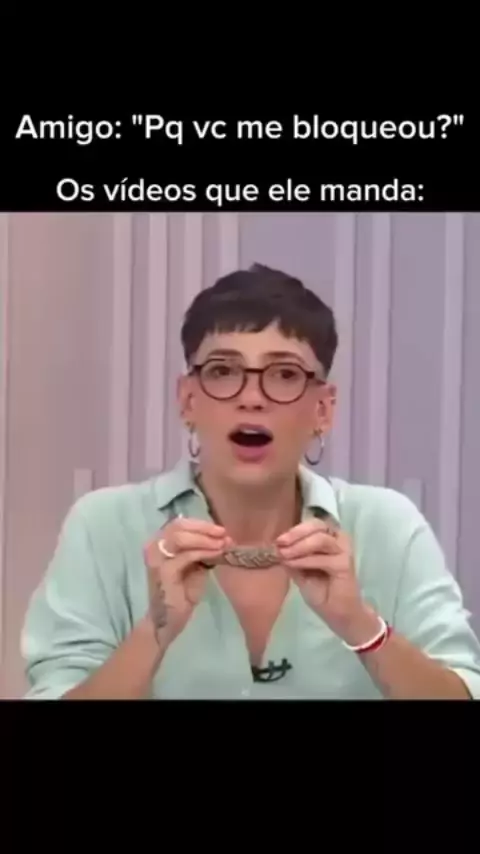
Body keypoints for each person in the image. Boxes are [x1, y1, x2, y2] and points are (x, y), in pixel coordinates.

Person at [21, 263, 480, 700]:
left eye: (285, 374)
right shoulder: (103, 525)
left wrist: (360, 624)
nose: (252, 398)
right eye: (223, 371)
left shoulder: (387, 525)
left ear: (323, 409)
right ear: (188, 401)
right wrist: (153, 633)